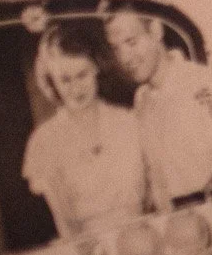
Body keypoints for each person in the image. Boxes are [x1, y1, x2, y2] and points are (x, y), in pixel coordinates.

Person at [21, 20, 153, 237]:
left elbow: (153, 195)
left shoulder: (130, 121)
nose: (75, 88)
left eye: (82, 75)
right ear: (51, 82)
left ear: (96, 68)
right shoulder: (44, 142)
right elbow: (64, 224)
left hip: (143, 240)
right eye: (65, 80)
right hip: (91, 253)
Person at [102, 6, 212, 206]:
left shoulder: (202, 81)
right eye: (116, 48)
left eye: (131, 42)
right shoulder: (142, 100)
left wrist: (197, 210)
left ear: (156, 31)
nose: (124, 58)